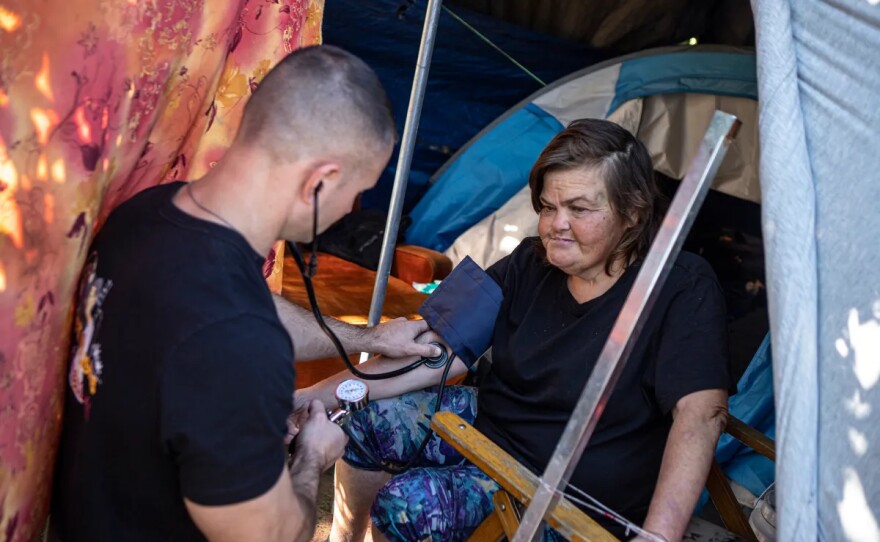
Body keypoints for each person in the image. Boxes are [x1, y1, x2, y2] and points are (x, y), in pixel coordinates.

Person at [50, 45, 442, 542]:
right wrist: (312, 457)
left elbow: (232, 316)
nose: (349, 211)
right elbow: (269, 535)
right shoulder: (238, 342)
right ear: (320, 181)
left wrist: (372, 336)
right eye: (356, 192)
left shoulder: (144, 217)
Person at [298, 119, 733, 541]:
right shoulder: (529, 261)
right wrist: (305, 398)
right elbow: (432, 349)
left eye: (579, 209)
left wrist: (658, 535)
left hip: (571, 490)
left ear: (633, 214)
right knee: (361, 422)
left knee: (407, 504)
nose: (555, 225)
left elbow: (700, 414)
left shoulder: (682, 285)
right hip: (490, 427)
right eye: (548, 207)